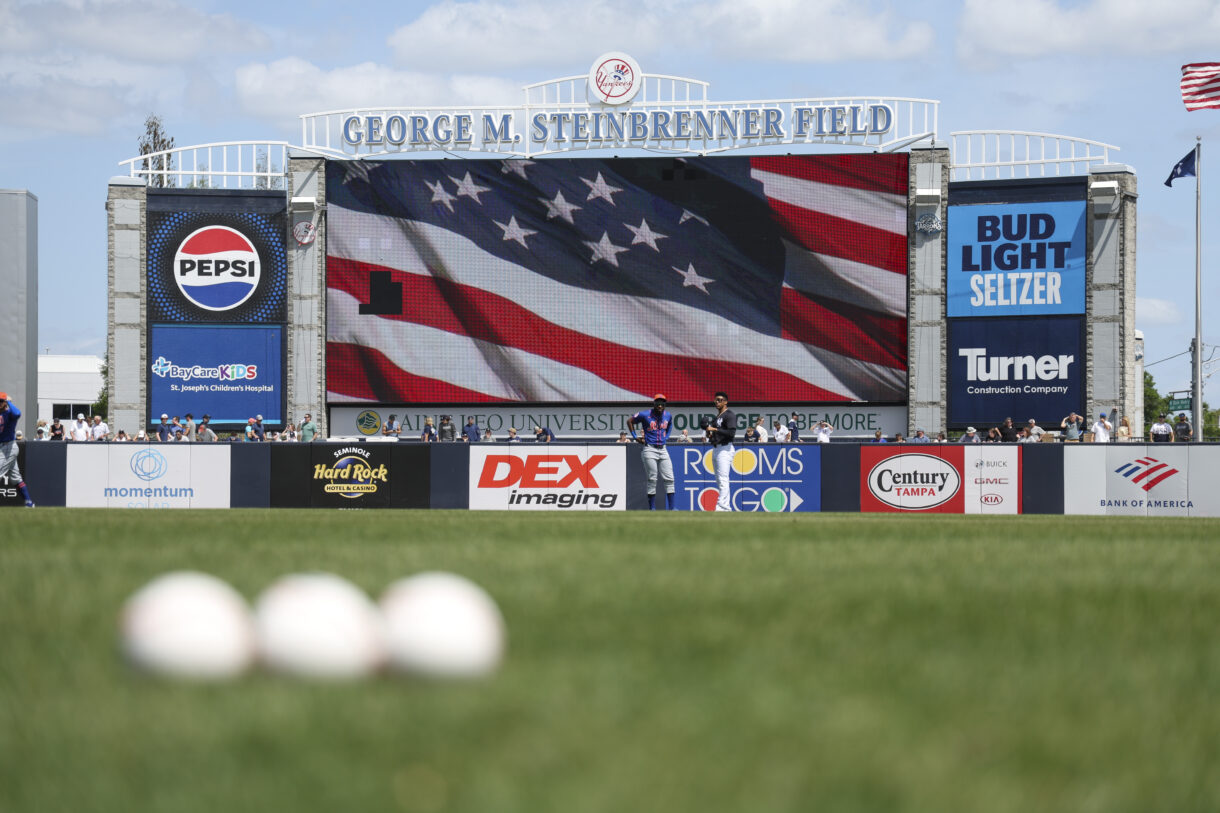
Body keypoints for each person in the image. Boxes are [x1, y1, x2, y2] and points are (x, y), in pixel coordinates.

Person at [628, 394, 676, 510]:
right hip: (650, 449)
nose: (660, 405)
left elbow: (670, 424)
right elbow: (630, 421)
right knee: (652, 479)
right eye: (658, 403)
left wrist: (667, 436)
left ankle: (672, 508)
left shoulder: (668, 415)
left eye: (662, 403)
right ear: (654, 404)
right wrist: (635, 437)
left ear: (665, 404)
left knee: (669, 478)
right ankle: (652, 508)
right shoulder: (645, 414)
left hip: (663, 449)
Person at [703, 392, 736, 511]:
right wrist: (709, 433)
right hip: (716, 448)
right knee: (719, 480)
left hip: (725, 449)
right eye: (716, 400)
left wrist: (715, 429)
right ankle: (724, 507)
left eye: (720, 400)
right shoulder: (716, 418)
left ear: (726, 402)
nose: (717, 402)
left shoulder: (729, 415)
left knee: (723, 479)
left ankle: (722, 507)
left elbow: (731, 433)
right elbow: (713, 436)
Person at [0, 393, 35, 507]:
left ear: (5, 402)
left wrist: (8, 401)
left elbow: (17, 413)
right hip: (3, 447)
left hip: (8, 447)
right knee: (16, 478)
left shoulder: (10, 413)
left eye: (1, 401)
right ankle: (29, 502)